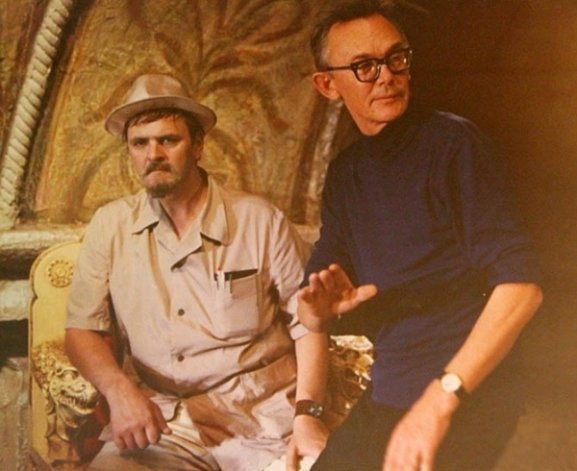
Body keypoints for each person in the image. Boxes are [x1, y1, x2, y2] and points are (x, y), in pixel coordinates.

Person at [296, 1, 544, 470]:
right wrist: (315, 311)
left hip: (468, 392)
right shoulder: (346, 174)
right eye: (364, 66)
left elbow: (522, 287)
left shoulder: (454, 144)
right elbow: (319, 291)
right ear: (327, 85)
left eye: (396, 58)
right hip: (390, 391)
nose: (387, 76)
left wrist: (438, 402)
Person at [64, 73, 329, 470]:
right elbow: (80, 330)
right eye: (140, 143)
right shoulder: (110, 225)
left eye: (168, 140)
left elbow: (308, 324)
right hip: (166, 423)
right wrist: (119, 391)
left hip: (266, 420)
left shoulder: (260, 221)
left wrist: (308, 415)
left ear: (198, 146)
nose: (153, 154)